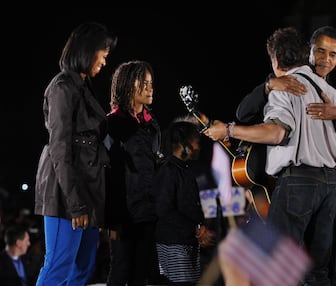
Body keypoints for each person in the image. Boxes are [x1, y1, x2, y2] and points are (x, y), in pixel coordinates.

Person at [205, 26, 336, 285]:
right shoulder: (334, 94)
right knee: (318, 274)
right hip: (330, 187)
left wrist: (228, 130)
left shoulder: (285, 87)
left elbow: (276, 133)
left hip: (298, 184)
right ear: (306, 55)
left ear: (274, 60)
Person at [34, 22, 117, 285]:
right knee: (59, 264)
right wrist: (76, 203)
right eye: (103, 54)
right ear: (87, 50)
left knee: (83, 267)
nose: (104, 62)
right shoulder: (62, 87)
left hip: (88, 191)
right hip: (65, 194)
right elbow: (60, 149)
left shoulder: (83, 87)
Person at [236, 25, 336, 139]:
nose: (326, 59)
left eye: (333, 54)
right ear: (310, 50)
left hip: (326, 162)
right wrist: (268, 86)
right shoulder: (286, 75)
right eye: (320, 51)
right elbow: (243, 114)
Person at [104, 60, 164, 286]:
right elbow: (108, 174)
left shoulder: (153, 125)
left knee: (141, 276)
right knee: (120, 273)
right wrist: (112, 220)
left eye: (151, 83)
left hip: (148, 215)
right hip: (123, 216)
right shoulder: (112, 123)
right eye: (144, 83)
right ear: (128, 85)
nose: (150, 88)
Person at [153, 118, 212, 285]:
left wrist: (200, 225)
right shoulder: (168, 170)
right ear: (183, 143)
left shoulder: (185, 170)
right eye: (195, 140)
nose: (199, 145)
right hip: (173, 245)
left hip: (187, 243)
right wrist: (194, 227)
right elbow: (163, 209)